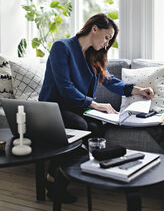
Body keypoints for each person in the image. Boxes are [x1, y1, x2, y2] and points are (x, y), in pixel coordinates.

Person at [39, 13, 154, 202]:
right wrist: (95, 104)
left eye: (110, 40)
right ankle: (57, 179)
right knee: (80, 125)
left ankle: (55, 176)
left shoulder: (93, 55)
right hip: (52, 107)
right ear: (94, 28)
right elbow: (65, 87)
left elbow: (109, 80)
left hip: (76, 108)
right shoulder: (62, 47)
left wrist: (137, 90)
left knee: (96, 128)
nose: (107, 43)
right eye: (107, 37)